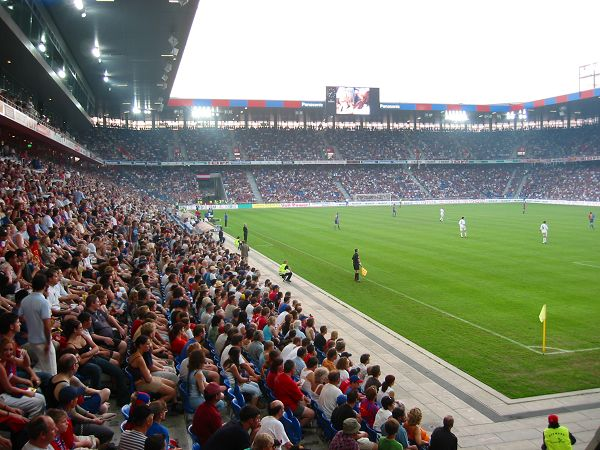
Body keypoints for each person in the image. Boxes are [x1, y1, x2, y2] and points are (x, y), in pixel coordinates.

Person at [18, 273, 57, 375]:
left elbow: (21, 317)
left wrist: (32, 321)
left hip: (32, 340)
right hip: (43, 340)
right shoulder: (43, 302)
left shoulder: (25, 300)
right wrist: (48, 343)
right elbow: (46, 326)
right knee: (51, 371)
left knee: (42, 365)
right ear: (45, 286)